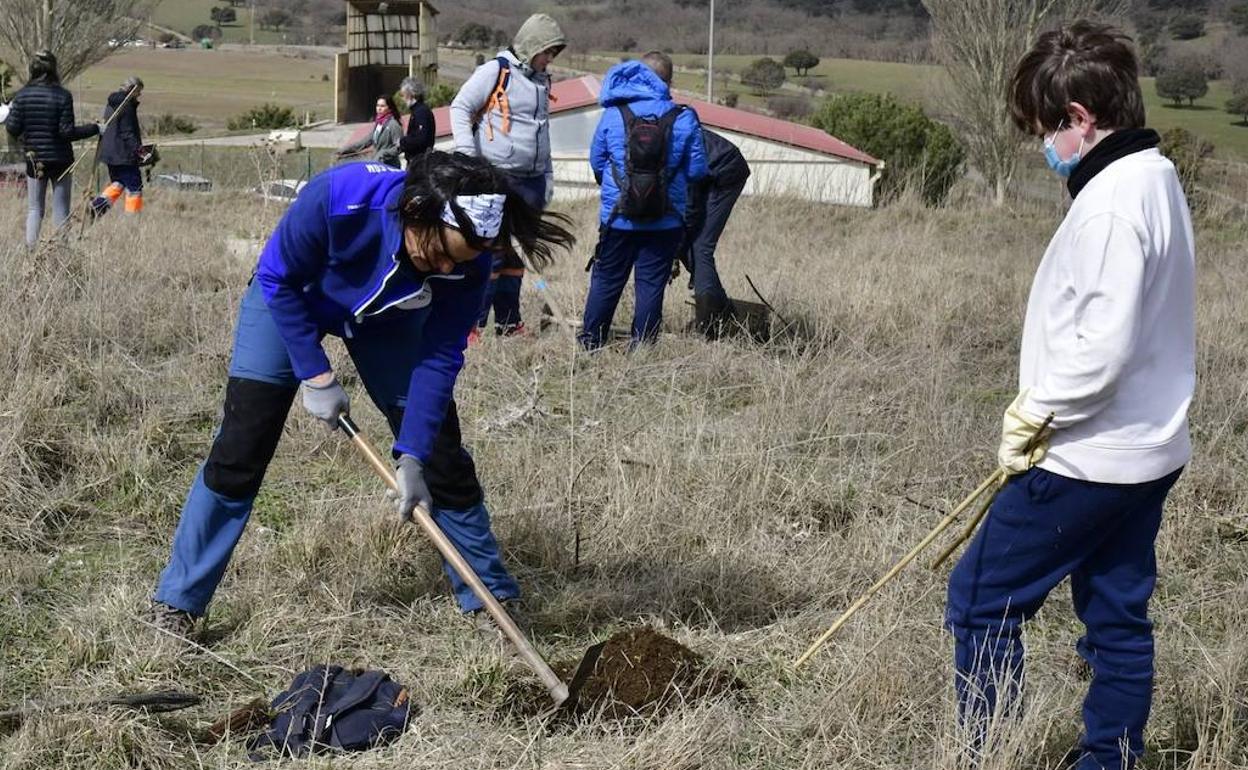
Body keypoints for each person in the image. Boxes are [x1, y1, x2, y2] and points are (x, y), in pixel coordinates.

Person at [147, 152, 575, 637]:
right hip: (292, 302)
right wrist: (316, 374)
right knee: (241, 447)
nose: (443, 266)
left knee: (441, 454)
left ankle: (488, 597)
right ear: (414, 209)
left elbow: (438, 359)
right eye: (439, 252)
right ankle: (178, 602)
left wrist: (412, 455)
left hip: (387, 319)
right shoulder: (339, 197)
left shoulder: (466, 266)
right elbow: (277, 279)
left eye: (457, 260)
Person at [945, 22, 1195, 770]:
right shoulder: (1157, 175)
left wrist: (1036, 412)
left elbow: (1105, 347)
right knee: (1117, 617)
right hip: (1149, 447)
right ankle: (1109, 760)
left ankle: (990, 753)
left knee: (981, 598)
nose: (1042, 145)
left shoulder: (1114, 202)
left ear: (1080, 118)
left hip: (1087, 455)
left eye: (1043, 129)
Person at [579, 52, 707, 350]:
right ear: (669, 81)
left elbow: (596, 161)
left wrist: (617, 187)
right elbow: (698, 170)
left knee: (607, 279)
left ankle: (590, 343)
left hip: (618, 217)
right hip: (666, 219)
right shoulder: (684, 117)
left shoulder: (613, 114)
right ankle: (642, 348)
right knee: (650, 284)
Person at [451, 13, 566, 337]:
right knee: (489, 253)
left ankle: (508, 322)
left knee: (516, 256)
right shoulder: (496, 71)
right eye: (547, 52)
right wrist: (468, 157)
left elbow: (542, 133)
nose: (549, 60)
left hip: (531, 182)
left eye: (554, 54)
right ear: (531, 46)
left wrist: (548, 177)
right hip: (495, 177)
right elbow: (460, 107)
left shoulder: (543, 81)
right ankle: (471, 324)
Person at [3, 50, 99, 247]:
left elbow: (12, 127)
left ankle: (31, 252)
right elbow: (67, 132)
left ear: (33, 69)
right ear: (54, 69)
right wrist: (95, 128)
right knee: (61, 210)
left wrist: (25, 135)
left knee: (35, 209)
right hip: (61, 160)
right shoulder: (63, 96)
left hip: (34, 159)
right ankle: (60, 252)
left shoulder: (21, 96)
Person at [676, 128, 750, 339]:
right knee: (686, 244)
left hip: (726, 170)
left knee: (699, 246)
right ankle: (725, 313)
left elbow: (689, 209)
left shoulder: (673, 150)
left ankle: (708, 326)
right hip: (705, 170)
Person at [90, 76, 145, 217]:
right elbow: (127, 132)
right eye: (138, 91)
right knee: (134, 187)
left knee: (118, 183)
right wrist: (140, 151)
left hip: (110, 153)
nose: (139, 95)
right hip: (124, 154)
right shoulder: (126, 105)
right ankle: (132, 218)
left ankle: (96, 208)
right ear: (132, 89)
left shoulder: (112, 102)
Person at [337, 95, 402, 168]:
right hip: (377, 164)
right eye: (377, 106)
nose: (379, 108)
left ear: (390, 108)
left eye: (382, 106)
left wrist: (383, 154)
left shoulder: (394, 125)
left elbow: (399, 147)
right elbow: (365, 142)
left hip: (389, 167)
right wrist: (346, 149)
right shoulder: (379, 123)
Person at [398, 77, 436, 165]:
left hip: (419, 163)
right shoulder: (418, 111)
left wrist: (402, 142)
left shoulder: (421, 111)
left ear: (411, 94)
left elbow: (421, 138)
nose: (403, 99)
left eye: (403, 95)